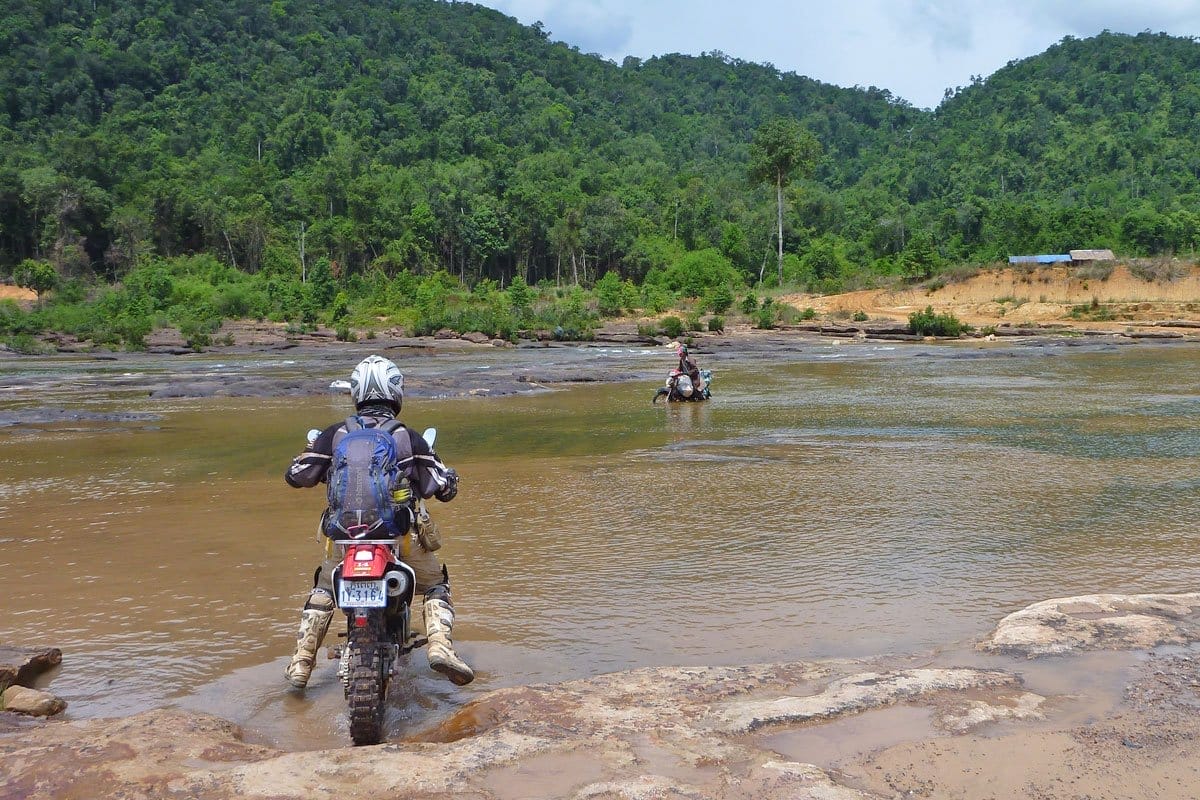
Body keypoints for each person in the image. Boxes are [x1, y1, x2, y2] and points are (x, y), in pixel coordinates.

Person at [282, 355, 474, 689]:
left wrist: (309, 454)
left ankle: (301, 662)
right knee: (434, 585)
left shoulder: (335, 434)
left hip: (342, 541)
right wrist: (450, 479)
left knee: (324, 588)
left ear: (356, 393)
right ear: (395, 393)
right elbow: (437, 488)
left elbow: (297, 478)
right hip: (397, 539)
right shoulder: (408, 438)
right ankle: (440, 646)